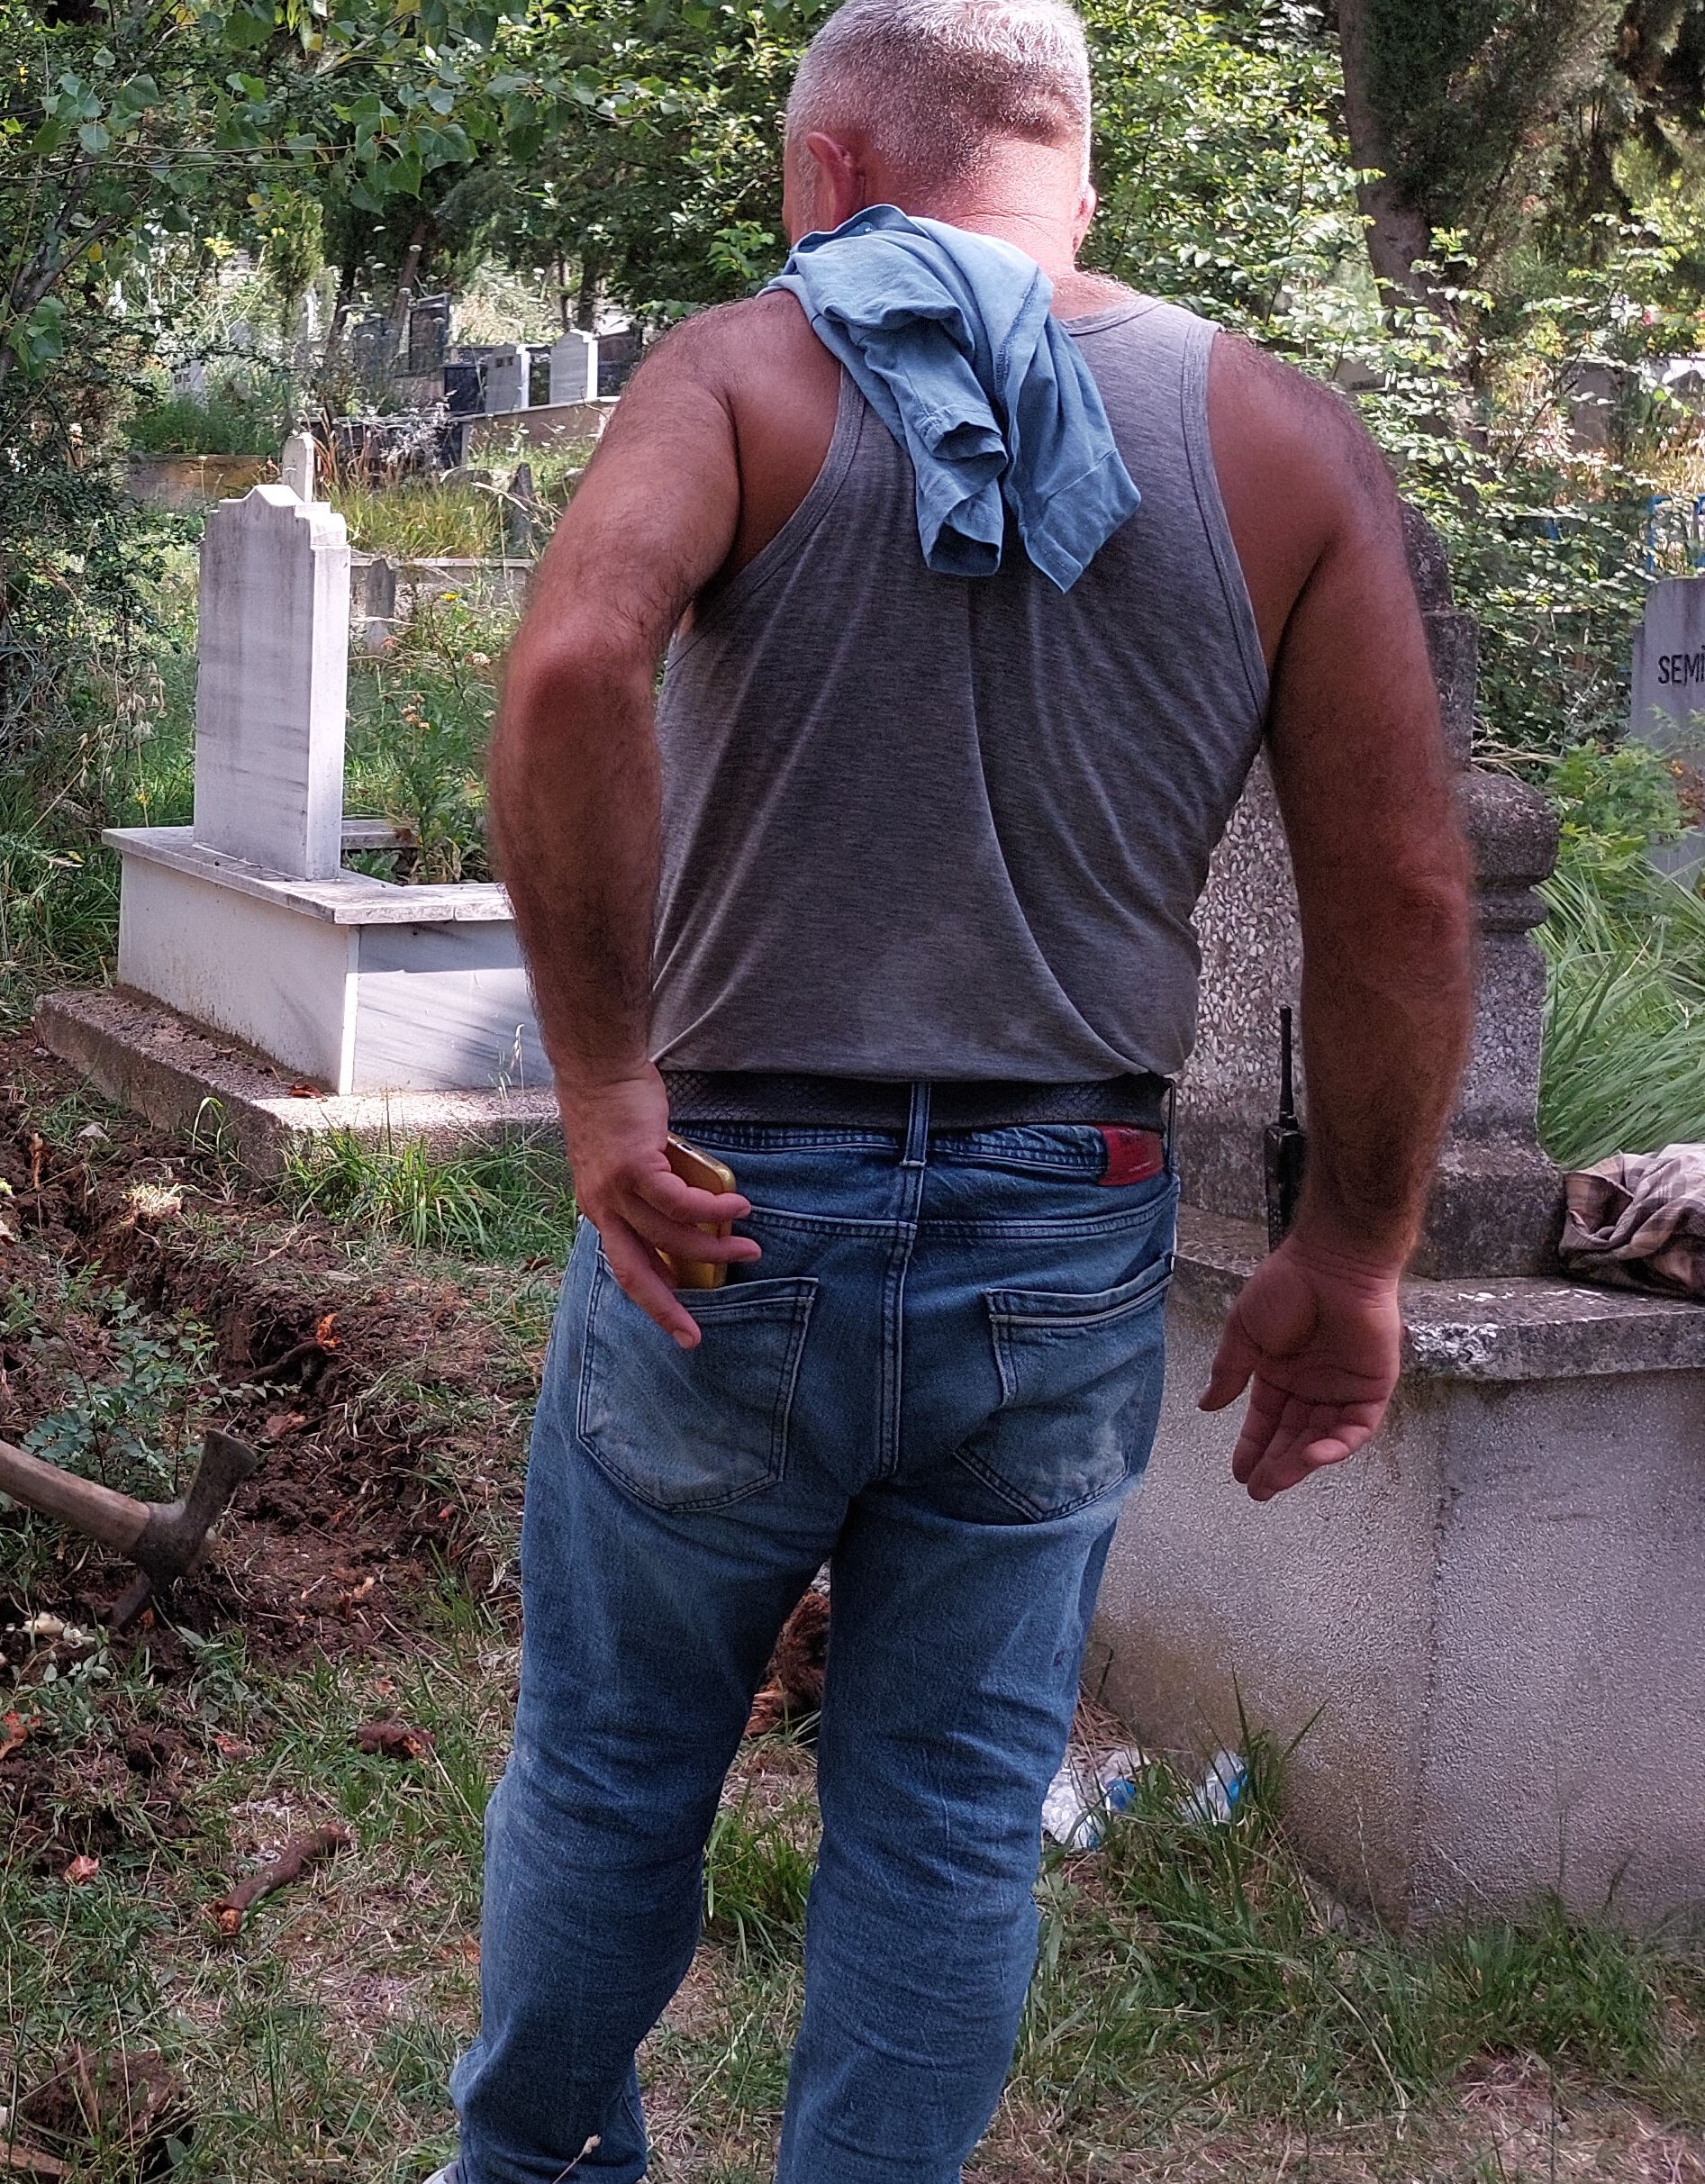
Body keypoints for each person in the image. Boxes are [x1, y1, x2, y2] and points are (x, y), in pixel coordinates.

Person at [460, 1, 1474, 2176]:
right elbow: (1401, 886)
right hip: (1060, 1212)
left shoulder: (737, 376)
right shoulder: (1281, 442)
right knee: (938, 1813)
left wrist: (603, 1083)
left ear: (827, 171)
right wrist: (1352, 1250)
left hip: (721, 1204)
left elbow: (566, 667)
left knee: (612, 1765)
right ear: (1071, 175)